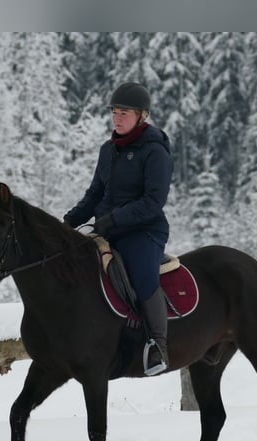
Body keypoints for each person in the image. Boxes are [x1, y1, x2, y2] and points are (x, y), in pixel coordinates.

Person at [63, 82, 173, 376]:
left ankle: (157, 346)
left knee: (142, 274)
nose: (117, 118)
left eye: (124, 113)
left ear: (141, 116)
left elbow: (154, 201)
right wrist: (69, 221)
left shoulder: (154, 151)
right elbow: (95, 194)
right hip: (108, 230)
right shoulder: (107, 150)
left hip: (144, 231)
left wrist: (116, 218)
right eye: (114, 112)